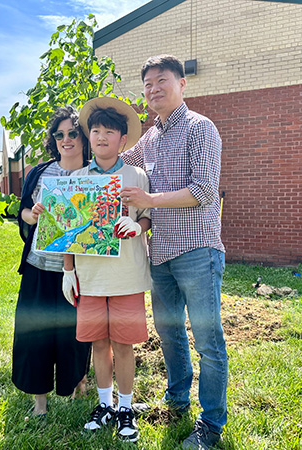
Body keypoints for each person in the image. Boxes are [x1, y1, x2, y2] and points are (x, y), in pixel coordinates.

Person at [120, 55, 227, 449]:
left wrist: (149, 198)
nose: (153, 89)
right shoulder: (148, 137)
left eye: (161, 81)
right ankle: (177, 400)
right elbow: (114, 167)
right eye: (147, 84)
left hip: (197, 251)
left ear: (182, 84)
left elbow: (203, 192)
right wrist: (66, 172)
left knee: (207, 339)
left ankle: (212, 424)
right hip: (160, 253)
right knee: (169, 334)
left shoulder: (201, 129)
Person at [61, 97, 150, 442]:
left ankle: (125, 407)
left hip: (127, 274)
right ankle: (104, 404)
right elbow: (65, 233)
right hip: (91, 276)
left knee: (124, 344)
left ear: (122, 140)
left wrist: (137, 225)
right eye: (95, 130)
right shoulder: (77, 179)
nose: (100, 137)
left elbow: (147, 216)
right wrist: (69, 271)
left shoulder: (136, 175)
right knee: (98, 342)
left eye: (109, 131)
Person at [12, 106, 92, 417]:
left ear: (83, 137)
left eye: (73, 133)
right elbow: (21, 212)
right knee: (34, 336)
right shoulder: (39, 173)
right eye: (59, 135)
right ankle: (39, 405)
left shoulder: (96, 174)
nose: (66, 139)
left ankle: (75, 389)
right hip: (39, 268)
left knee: (74, 337)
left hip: (80, 272)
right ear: (53, 140)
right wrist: (31, 215)